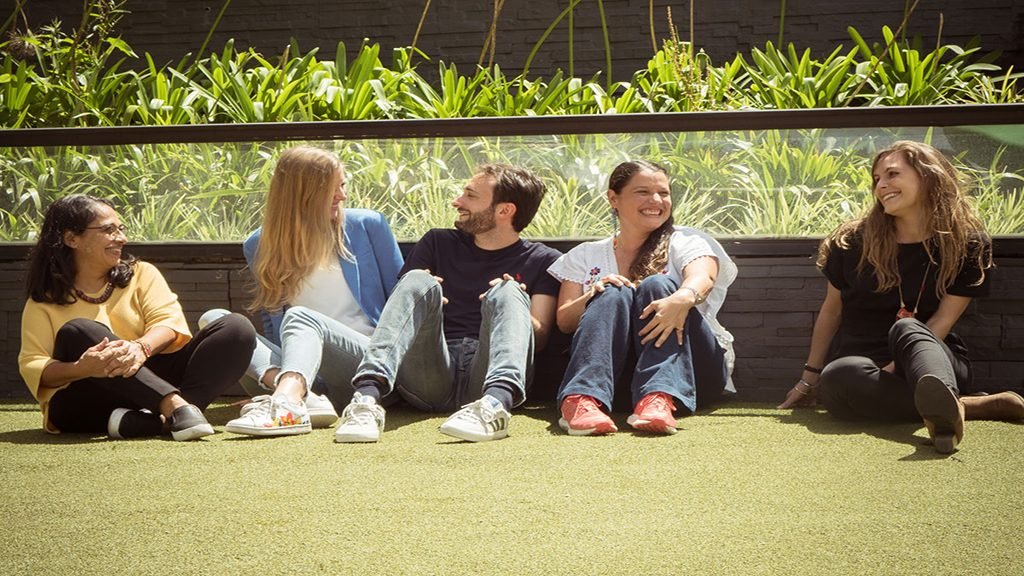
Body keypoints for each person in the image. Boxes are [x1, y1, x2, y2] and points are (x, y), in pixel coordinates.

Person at [778, 140, 1023, 454]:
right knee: (839, 375)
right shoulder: (852, 242)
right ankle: (964, 407)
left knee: (907, 328)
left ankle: (941, 399)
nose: (882, 185)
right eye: (877, 179)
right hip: (864, 371)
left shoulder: (967, 244)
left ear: (928, 177)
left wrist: (895, 368)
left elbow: (943, 321)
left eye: (892, 174)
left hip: (931, 361)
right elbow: (832, 311)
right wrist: (809, 378)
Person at [330, 163, 561, 443]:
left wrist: (512, 305)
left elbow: (542, 337)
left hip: (488, 371)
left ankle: (495, 405)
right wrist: (430, 302)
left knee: (508, 289)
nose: (457, 202)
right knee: (416, 279)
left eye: (470, 196)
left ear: (504, 210)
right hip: (429, 374)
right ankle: (366, 400)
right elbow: (404, 305)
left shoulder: (543, 259)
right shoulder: (437, 243)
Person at [18, 194, 256, 441]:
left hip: (150, 374)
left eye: (121, 228)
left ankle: (161, 418)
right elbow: (35, 366)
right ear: (71, 238)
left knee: (236, 328)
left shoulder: (142, 274)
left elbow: (168, 324)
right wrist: (83, 367)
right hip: (88, 397)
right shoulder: (42, 303)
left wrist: (141, 348)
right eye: (109, 230)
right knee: (78, 330)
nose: (122, 238)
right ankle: (176, 409)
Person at [220, 146, 404, 437]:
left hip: (366, 361)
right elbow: (273, 321)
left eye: (343, 185)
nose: (342, 196)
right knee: (216, 320)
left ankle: (286, 399)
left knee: (302, 317)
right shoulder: (259, 244)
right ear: (302, 192)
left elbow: (401, 302)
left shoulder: (368, 226)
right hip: (310, 371)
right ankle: (301, 395)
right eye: (333, 188)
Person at [547, 160, 737, 436]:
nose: (656, 200)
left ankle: (659, 396)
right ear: (613, 198)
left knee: (658, 284)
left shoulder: (687, 240)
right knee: (612, 291)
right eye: (643, 192)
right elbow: (564, 321)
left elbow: (703, 277)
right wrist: (594, 293)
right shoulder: (584, 255)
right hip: (618, 381)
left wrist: (681, 298)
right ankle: (581, 400)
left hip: (692, 375)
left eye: (663, 192)